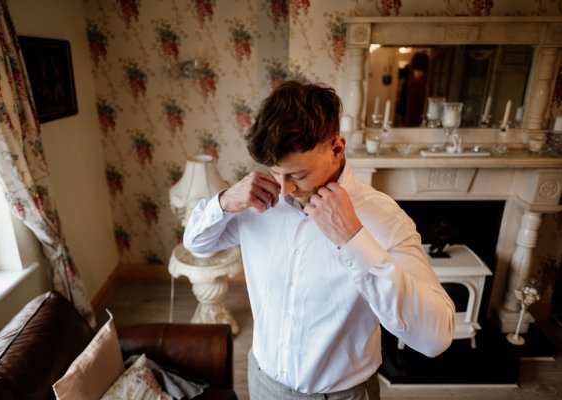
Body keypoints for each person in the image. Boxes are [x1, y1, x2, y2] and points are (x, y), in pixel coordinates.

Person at [183, 81, 455, 399]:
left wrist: (353, 240)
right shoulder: (259, 201)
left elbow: (436, 337)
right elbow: (196, 243)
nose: (285, 190)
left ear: (336, 148)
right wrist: (225, 200)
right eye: (275, 172)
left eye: (297, 176)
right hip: (263, 384)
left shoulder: (384, 219)